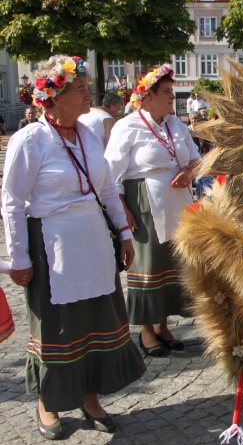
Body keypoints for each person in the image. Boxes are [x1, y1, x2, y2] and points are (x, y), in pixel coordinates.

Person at [1, 55, 145, 439]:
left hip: (94, 243)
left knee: (97, 320)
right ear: (55, 97)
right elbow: (12, 201)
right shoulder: (30, 140)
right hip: (52, 247)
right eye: (80, 90)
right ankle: (48, 402)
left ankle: (90, 396)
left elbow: (107, 189)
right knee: (58, 328)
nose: (88, 95)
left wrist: (124, 233)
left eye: (86, 89)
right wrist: (18, 256)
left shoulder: (89, 134)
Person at [105, 64, 201, 357]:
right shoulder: (128, 126)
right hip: (144, 203)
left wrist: (188, 171)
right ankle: (146, 331)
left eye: (172, 92)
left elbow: (197, 158)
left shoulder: (176, 124)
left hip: (178, 203)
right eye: (166, 92)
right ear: (146, 97)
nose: (172, 97)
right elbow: (110, 174)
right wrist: (123, 211)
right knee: (148, 267)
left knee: (172, 265)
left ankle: (163, 325)